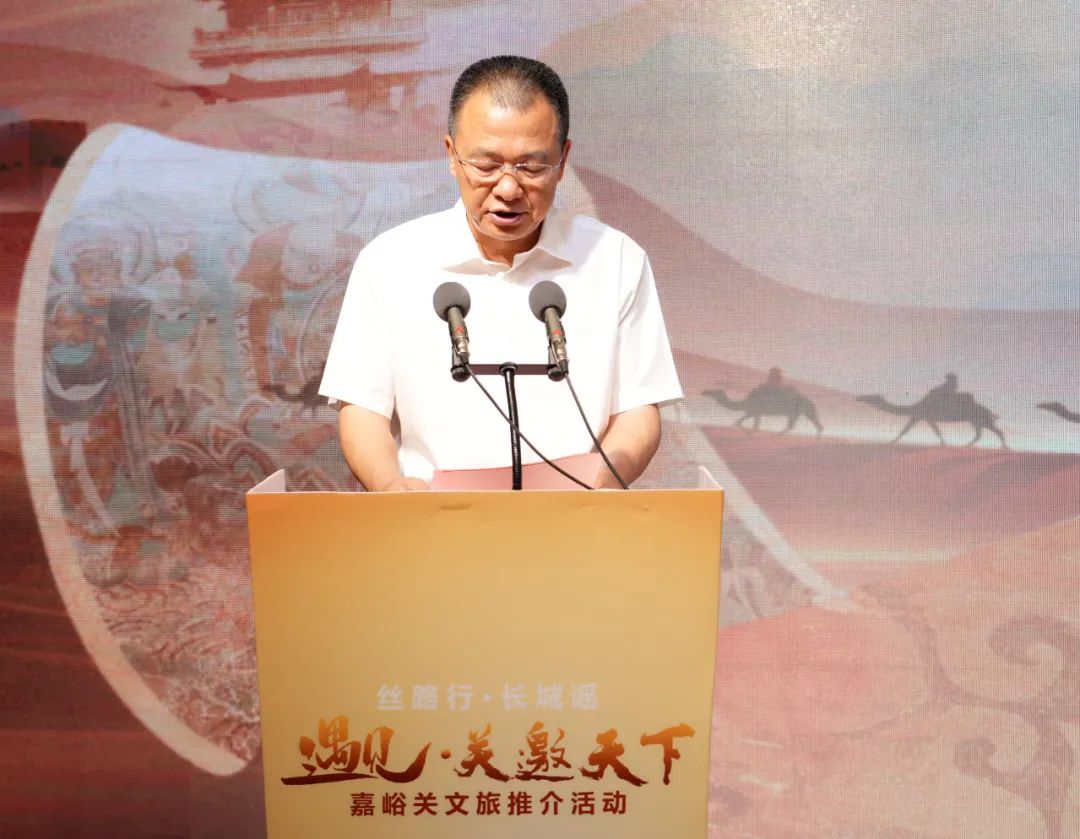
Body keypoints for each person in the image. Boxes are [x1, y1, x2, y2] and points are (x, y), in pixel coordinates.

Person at [319, 55, 682, 490]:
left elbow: (638, 408)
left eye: (531, 166)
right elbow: (362, 408)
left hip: (576, 515)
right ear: (451, 155)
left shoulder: (615, 259)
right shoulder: (390, 261)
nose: (508, 188)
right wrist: (391, 488)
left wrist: (598, 489)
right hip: (433, 516)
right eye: (486, 166)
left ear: (563, 161)